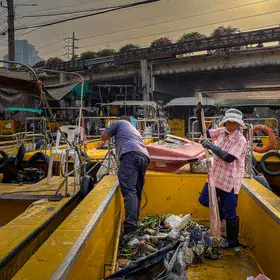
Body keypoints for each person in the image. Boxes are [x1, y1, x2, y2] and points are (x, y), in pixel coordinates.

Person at [196, 107, 247, 248]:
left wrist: (211, 146)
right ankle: (219, 216)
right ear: (224, 123)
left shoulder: (240, 140)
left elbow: (228, 157)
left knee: (230, 211)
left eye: (233, 123)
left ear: (238, 125)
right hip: (216, 176)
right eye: (228, 122)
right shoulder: (222, 132)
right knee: (204, 199)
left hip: (230, 180)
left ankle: (232, 241)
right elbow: (205, 133)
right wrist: (198, 113)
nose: (230, 125)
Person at [101, 115, 150, 237]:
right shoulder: (135, 131)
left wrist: (109, 131)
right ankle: (135, 223)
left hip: (130, 156)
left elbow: (104, 137)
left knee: (129, 191)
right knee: (136, 192)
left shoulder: (119, 123)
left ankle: (130, 228)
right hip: (144, 157)